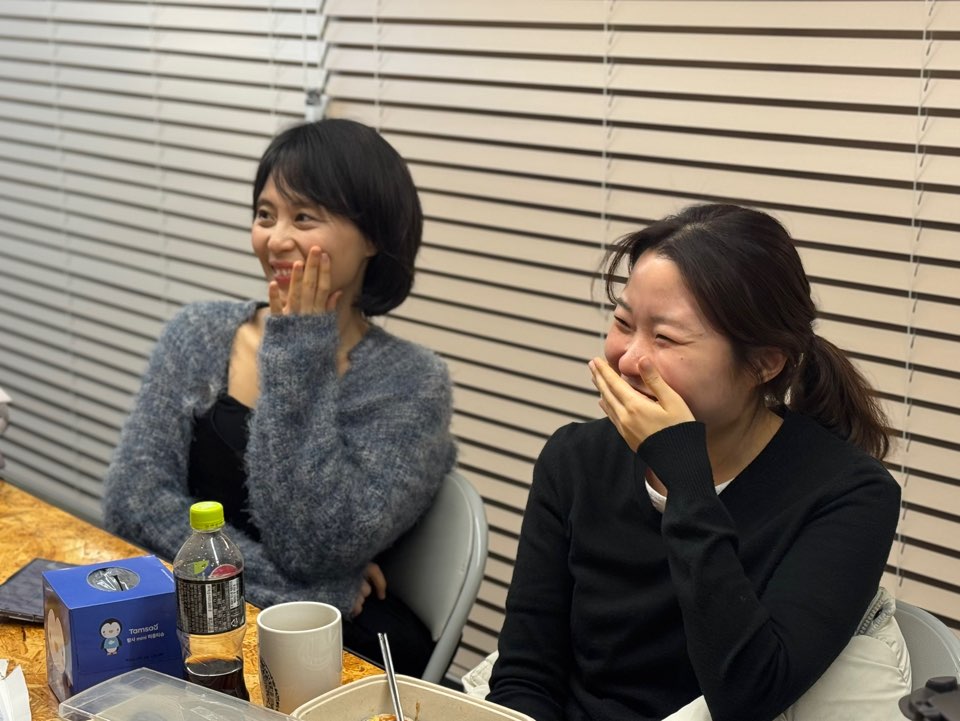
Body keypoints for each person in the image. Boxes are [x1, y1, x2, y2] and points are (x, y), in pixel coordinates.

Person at [486, 204, 901, 721]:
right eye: (623, 322)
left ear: (764, 363)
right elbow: (526, 676)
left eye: (665, 338)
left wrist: (685, 479)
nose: (628, 359)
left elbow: (750, 694)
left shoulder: (849, 493)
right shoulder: (575, 459)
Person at [103, 118, 456, 675]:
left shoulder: (412, 382)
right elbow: (133, 504)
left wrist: (298, 350)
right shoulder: (199, 333)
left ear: (372, 237)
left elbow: (313, 544)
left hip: (326, 648)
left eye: (304, 217)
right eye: (265, 215)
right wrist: (308, 593)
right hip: (195, 624)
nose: (276, 239)